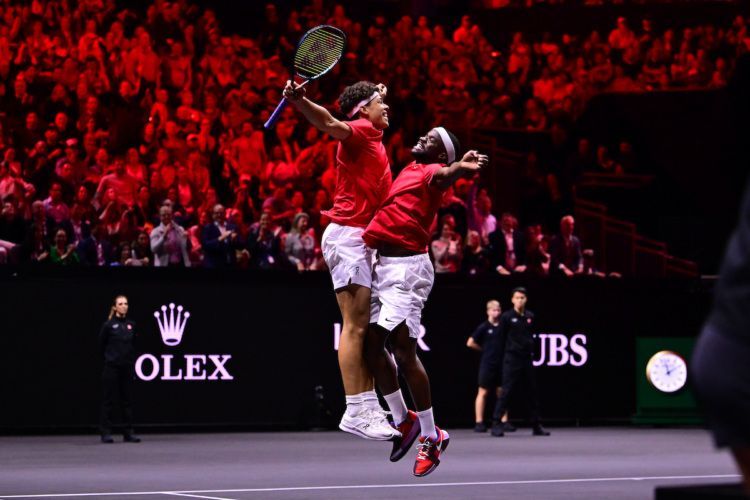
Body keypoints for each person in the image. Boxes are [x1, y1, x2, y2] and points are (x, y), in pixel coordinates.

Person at [362, 126, 487, 476]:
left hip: (407, 271)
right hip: (383, 267)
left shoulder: (433, 171)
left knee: (403, 351)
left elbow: (445, 175)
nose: (423, 138)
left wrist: (461, 168)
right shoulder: (411, 169)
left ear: (440, 155)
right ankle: (405, 421)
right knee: (371, 349)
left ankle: (431, 436)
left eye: (432, 140)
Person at [282, 79, 395, 440]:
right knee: (355, 326)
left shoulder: (372, 130)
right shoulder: (360, 131)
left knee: (363, 329)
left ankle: (367, 407)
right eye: (381, 103)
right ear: (364, 110)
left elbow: (364, 104)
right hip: (348, 236)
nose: (386, 107)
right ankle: (356, 408)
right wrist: (301, 101)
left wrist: (376, 92)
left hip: (361, 239)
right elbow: (330, 123)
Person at [490, 287, 550, 437]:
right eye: (517, 298)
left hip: (527, 360)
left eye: (522, 298)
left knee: (532, 392)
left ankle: (536, 425)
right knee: (506, 391)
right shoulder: (506, 317)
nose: (520, 300)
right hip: (511, 359)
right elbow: (500, 339)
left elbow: (533, 337)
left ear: (526, 299)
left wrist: (534, 353)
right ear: (512, 300)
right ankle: (496, 424)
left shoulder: (530, 316)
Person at [466, 300, 513, 433]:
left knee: (502, 393)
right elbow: (470, 342)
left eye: (498, 310)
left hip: (502, 364)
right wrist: (483, 349)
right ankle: (479, 422)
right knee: (483, 392)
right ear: (488, 311)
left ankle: (503, 421)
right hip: (487, 365)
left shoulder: (503, 327)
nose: (496, 313)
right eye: (493, 310)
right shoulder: (484, 327)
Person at [99, 295, 141, 443]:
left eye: (126, 303)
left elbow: (133, 344)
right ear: (115, 307)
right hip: (111, 367)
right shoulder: (108, 325)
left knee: (127, 401)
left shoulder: (131, 325)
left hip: (127, 368)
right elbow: (101, 345)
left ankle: (128, 432)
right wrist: (110, 359)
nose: (124, 306)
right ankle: (106, 433)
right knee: (108, 401)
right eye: (120, 303)